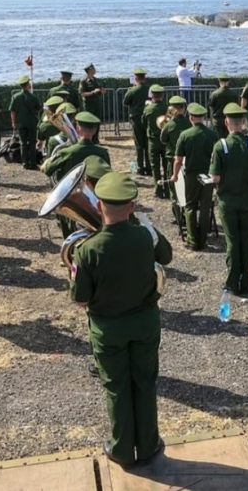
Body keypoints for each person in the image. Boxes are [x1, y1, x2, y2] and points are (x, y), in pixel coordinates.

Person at [70, 172, 172, 467]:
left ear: (99, 204)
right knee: (144, 381)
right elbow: (166, 256)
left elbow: (80, 299)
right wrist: (146, 223)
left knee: (116, 386)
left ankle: (122, 449)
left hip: (108, 328)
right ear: (132, 206)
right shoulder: (144, 234)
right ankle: (149, 444)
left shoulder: (86, 249)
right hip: (144, 323)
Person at [210, 103, 248, 295]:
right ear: (243, 122)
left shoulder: (221, 146)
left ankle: (232, 282)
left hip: (228, 201)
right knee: (246, 241)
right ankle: (247, 281)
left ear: (227, 122)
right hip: (247, 200)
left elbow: (215, 178)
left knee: (232, 242)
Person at [172, 103, 219, 250]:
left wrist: (174, 175)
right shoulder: (212, 134)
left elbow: (178, 160)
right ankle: (203, 239)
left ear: (191, 117)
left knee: (190, 206)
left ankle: (192, 240)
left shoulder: (185, 135)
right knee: (205, 207)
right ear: (204, 117)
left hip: (192, 175)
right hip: (208, 174)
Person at [42, 111, 111, 194]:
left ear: (78, 129)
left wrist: (49, 159)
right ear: (95, 131)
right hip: (95, 194)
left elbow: (46, 170)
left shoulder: (67, 152)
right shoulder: (103, 153)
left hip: (70, 195)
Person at [160, 97, 190, 201]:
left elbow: (163, 140)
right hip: (187, 158)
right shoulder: (189, 123)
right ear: (184, 108)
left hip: (172, 157)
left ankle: (176, 205)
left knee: (173, 185)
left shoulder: (169, 125)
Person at [9, 75, 41, 170]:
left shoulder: (15, 97)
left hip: (21, 123)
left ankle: (25, 162)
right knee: (32, 143)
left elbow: (12, 111)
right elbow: (38, 108)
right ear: (28, 85)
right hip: (32, 123)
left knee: (23, 143)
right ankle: (33, 162)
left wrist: (13, 122)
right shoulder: (33, 97)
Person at [123, 68, 151, 175]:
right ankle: (149, 167)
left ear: (135, 78)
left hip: (136, 118)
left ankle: (140, 167)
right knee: (147, 143)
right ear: (144, 78)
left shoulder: (132, 90)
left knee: (139, 144)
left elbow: (125, 102)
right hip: (147, 118)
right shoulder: (149, 89)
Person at [143, 85, 169, 198]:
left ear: (152, 95)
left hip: (153, 140)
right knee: (166, 165)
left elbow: (143, 123)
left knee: (155, 166)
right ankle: (168, 189)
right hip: (165, 140)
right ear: (162, 95)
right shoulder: (168, 108)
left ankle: (158, 190)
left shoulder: (148, 109)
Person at [208, 73, 239, 139]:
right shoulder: (233, 94)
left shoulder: (214, 94)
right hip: (230, 119)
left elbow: (210, 106)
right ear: (228, 82)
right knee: (230, 139)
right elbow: (237, 106)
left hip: (217, 120)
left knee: (219, 140)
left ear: (219, 82)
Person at [80, 64, 105, 142]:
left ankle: (95, 138)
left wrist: (102, 91)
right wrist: (93, 92)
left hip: (97, 104)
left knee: (97, 121)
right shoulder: (84, 81)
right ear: (89, 71)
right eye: (93, 69)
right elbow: (82, 94)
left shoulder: (97, 80)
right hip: (89, 105)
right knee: (89, 122)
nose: (94, 70)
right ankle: (89, 139)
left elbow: (102, 90)